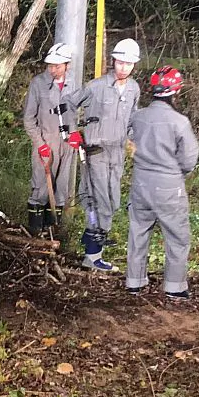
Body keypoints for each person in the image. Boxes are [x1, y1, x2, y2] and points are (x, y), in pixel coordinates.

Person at [63, 37, 142, 271]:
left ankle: (92, 247)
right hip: (95, 152)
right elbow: (67, 103)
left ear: (133, 65)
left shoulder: (134, 88)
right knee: (101, 203)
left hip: (117, 154)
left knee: (111, 201)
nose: (123, 68)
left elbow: (132, 119)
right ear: (113, 61)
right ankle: (93, 255)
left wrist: (134, 141)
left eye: (128, 64)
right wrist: (71, 133)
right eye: (120, 63)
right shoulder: (95, 86)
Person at [124, 66, 199, 300]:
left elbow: (127, 141)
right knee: (177, 236)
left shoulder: (138, 116)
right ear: (175, 91)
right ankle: (175, 287)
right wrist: (174, 172)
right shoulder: (180, 122)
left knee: (138, 230)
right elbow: (189, 158)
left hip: (141, 183)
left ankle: (134, 282)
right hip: (168, 185)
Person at [23, 43, 74, 236]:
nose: (53, 69)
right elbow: (29, 119)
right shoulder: (38, 84)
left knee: (61, 190)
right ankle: (35, 233)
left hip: (66, 145)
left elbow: (74, 113)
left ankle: (53, 232)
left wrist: (75, 133)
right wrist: (40, 144)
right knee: (41, 189)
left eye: (57, 66)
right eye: (50, 65)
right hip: (46, 142)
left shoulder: (73, 84)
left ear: (67, 65)